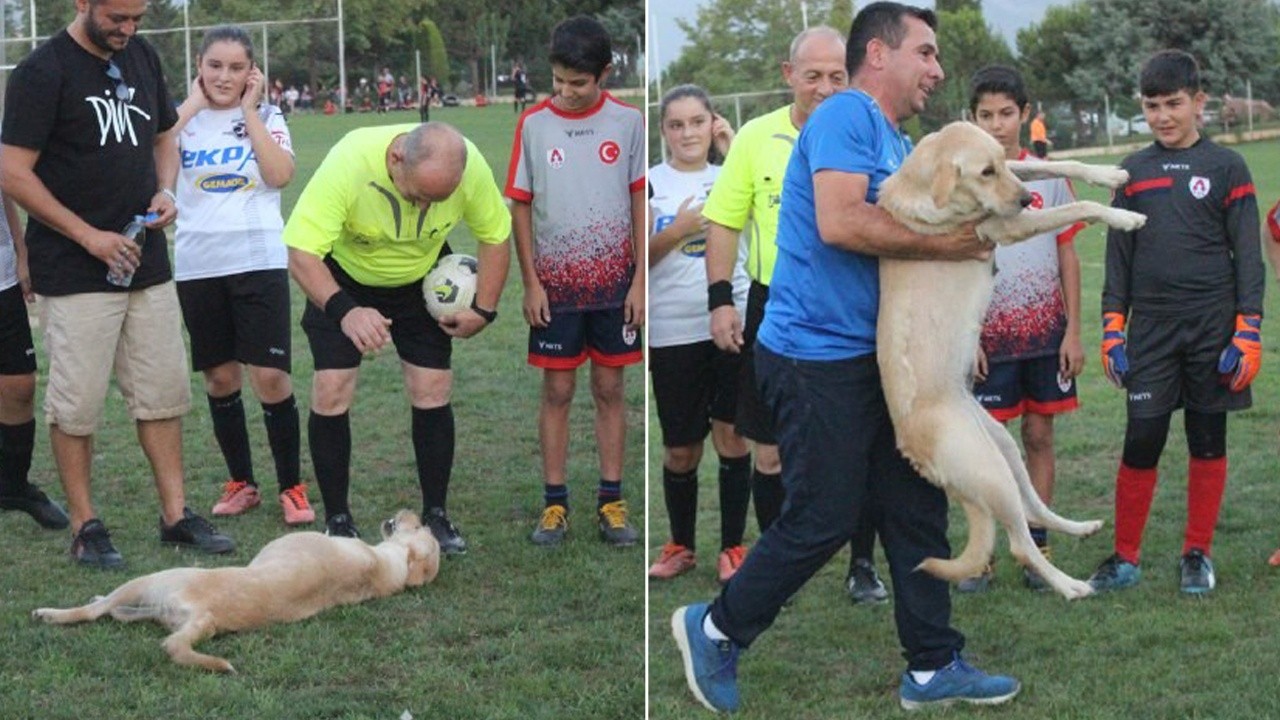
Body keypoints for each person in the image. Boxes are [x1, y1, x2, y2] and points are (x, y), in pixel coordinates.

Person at [671, 4, 1020, 713]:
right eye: (925, 53)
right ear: (880, 55)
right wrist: (948, 247)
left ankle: (932, 666)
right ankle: (714, 628)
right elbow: (840, 222)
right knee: (823, 516)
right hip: (813, 358)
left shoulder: (894, 139)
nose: (937, 69)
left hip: (876, 360)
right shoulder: (845, 116)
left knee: (916, 505)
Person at [0, 0, 234, 568]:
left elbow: (165, 135)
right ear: (83, 3)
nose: (128, 30)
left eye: (137, 18)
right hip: (75, 269)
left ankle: (176, 516)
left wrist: (166, 190)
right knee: (76, 405)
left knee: (162, 394)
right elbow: (11, 170)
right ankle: (86, 526)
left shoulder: (142, 56)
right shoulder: (43, 71)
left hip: (145, 263)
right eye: (117, 18)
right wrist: (88, 236)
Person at [703, 26, 887, 601]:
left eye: (838, 77)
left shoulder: (871, 133)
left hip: (853, 306)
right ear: (789, 75)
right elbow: (725, 221)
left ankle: (862, 565)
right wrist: (720, 301)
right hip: (773, 308)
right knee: (770, 447)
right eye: (814, 76)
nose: (826, 88)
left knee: (861, 441)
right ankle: (779, 563)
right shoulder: (757, 137)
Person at [284, 121, 510, 550]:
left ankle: (437, 516)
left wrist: (485, 309)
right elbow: (302, 252)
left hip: (421, 279)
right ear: (396, 160)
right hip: (342, 279)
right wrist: (345, 312)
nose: (424, 210)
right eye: (418, 196)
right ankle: (338, 521)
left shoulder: (471, 166)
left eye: (437, 201)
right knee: (331, 389)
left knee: (433, 387)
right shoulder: (350, 162)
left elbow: (495, 235)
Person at [1088, 49, 1264, 596]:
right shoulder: (1132, 173)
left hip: (1213, 328)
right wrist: (1113, 327)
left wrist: (1249, 329)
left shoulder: (1227, 168)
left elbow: (1249, 259)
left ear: (1198, 102)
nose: (1162, 116)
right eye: (1152, 105)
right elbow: (1118, 260)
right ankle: (1125, 557)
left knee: (1207, 439)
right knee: (1142, 438)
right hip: (1153, 332)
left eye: (1174, 103)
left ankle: (1197, 553)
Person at [164, 25, 312, 526]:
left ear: (252, 73)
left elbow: (279, 175)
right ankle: (241, 482)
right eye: (214, 66)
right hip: (198, 264)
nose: (224, 76)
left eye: (236, 67)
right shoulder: (181, 122)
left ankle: (291, 485)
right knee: (220, 377)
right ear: (199, 68)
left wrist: (249, 111)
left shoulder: (268, 116)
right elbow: (151, 147)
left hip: (257, 261)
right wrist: (190, 104)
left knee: (269, 376)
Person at [506, 15, 644, 547]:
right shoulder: (533, 124)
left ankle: (612, 502)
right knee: (558, 388)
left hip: (615, 285)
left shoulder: (628, 122)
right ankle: (554, 505)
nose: (565, 92)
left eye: (578, 83)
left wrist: (638, 283)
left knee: (611, 388)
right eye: (558, 80)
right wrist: (532, 282)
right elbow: (519, 206)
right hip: (556, 286)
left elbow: (636, 198)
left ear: (604, 74)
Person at [958, 65, 1084, 593]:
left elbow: (1068, 253)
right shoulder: (966, 179)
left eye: (1006, 113)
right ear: (971, 120)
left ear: (1025, 115)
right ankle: (983, 551)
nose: (997, 124)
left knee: (1038, 435)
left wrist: (1074, 330)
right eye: (985, 115)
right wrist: (968, 337)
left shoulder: (1049, 177)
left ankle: (1036, 546)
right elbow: (956, 265)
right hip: (989, 337)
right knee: (987, 449)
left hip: (1046, 335)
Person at [647, 84, 749, 582]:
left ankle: (733, 547)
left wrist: (732, 156)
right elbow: (635, 262)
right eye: (676, 124)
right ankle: (681, 545)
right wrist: (677, 230)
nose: (688, 132)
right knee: (681, 447)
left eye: (697, 122)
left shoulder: (735, 174)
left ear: (714, 124)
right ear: (663, 131)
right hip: (672, 329)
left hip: (732, 322)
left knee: (733, 437)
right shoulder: (649, 183)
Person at [0, 187, 69, 531]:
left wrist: (20, 250)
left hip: (2, 275)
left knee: (19, 385)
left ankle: (12, 486)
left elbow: (5, 186)